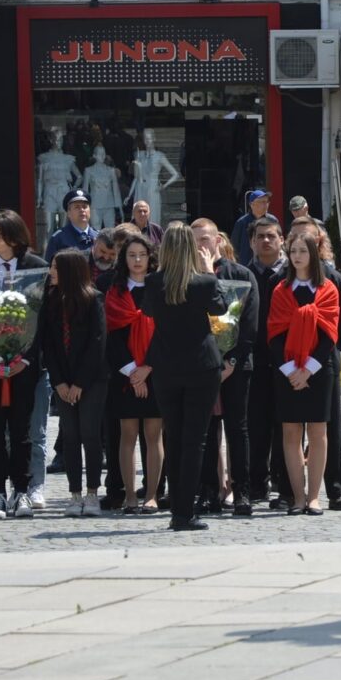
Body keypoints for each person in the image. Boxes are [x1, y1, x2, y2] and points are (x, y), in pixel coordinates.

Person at [142, 224, 227, 530]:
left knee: (173, 437)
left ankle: (179, 509)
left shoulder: (154, 281)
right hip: (201, 366)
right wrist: (208, 271)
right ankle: (184, 511)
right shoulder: (203, 282)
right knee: (195, 440)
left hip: (166, 366)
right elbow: (221, 307)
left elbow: (149, 312)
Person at [0, 210, 47, 520]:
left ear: (14, 238)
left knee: (22, 431)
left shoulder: (36, 268)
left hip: (24, 366)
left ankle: (21, 491)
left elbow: (42, 319)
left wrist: (25, 358)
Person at [267, 231, 340, 515]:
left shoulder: (328, 290)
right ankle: (297, 496)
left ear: (314, 255)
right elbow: (273, 334)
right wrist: (290, 371)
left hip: (319, 371)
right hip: (287, 372)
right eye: (293, 251)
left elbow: (329, 335)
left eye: (303, 251)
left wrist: (308, 369)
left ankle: (314, 497)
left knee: (319, 432)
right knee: (291, 432)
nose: (297, 256)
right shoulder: (280, 291)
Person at [190, 218, 259, 517]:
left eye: (205, 239)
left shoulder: (240, 274)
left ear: (218, 240)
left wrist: (230, 362)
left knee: (237, 428)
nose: (200, 246)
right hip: (202, 367)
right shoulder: (189, 277)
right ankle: (208, 492)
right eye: (195, 241)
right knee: (205, 431)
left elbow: (250, 324)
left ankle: (242, 491)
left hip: (236, 366)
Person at [43, 250, 108, 517]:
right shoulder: (50, 301)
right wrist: (59, 382)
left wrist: (80, 382)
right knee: (70, 436)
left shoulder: (94, 300)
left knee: (90, 435)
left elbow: (98, 343)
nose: (51, 272)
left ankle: (92, 493)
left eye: (56, 268)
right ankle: (75, 494)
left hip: (91, 380)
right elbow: (48, 345)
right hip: (63, 380)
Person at [105, 235, 162, 514]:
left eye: (142, 255)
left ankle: (151, 494)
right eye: (131, 255)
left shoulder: (160, 288)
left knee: (154, 435)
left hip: (155, 372)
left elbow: (166, 333)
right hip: (125, 374)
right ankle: (129, 495)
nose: (137, 260)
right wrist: (132, 372)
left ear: (150, 258)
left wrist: (147, 368)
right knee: (127, 434)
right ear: (124, 259)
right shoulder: (116, 292)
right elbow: (112, 336)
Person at [246, 215, 286, 501]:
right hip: (254, 361)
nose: (266, 241)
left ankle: (285, 483)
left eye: (271, 236)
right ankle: (256, 482)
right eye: (260, 236)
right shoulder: (243, 275)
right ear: (251, 242)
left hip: (288, 361)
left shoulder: (294, 273)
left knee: (287, 425)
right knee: (256, 425)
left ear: (281, 239)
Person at [129, 129, 180, 226]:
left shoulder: (159, 156)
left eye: (150, 138)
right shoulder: (140, 155)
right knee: (138, 215)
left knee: (152, 216)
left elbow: (175, 174)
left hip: (152, 188)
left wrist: (164, 186)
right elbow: (136, 176)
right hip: (140, 187)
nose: (148, 141)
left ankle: (153, 237)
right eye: (145, 138)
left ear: (154, 138)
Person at [45, 189, 98, 262]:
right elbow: (50, 269)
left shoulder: (99, 237)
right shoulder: (58, 239)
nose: (82, 210)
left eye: (85, 207)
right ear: (68, 213)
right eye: (77, 207)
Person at [82, 146, 123, 229]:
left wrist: (119, 206)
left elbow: (115, 189)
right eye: (100, 154)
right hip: (95, 204)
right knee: (95, 230)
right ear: (94, 155)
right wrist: (84, 206)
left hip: (109, 203)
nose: (102, 156)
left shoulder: (111, 170)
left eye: (103, 154)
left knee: (110, 230)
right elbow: (85, 190)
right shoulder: (89, 170)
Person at [230, 189, 272, 266]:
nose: (265, 205)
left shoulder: (272, 221)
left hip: (268, 264)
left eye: (266, 202)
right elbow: (234, 246)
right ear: (251, 204)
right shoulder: (242, 222)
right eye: (261, 202)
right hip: (247, 265)